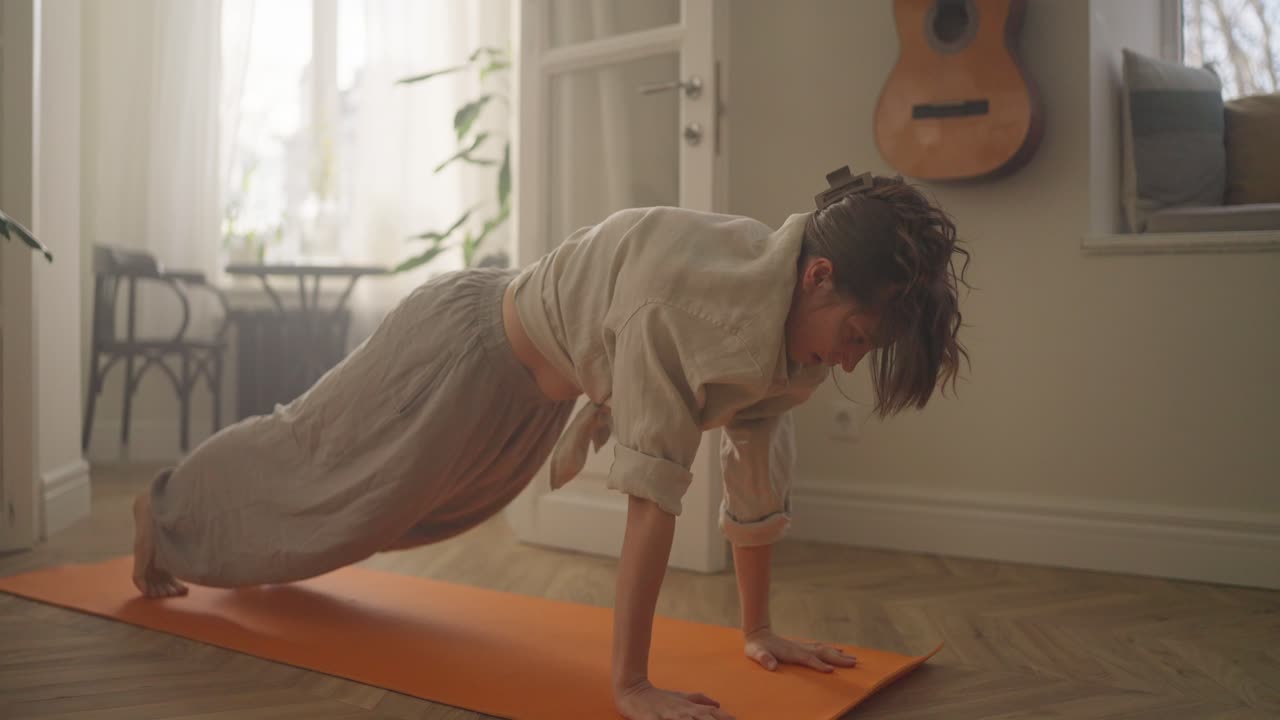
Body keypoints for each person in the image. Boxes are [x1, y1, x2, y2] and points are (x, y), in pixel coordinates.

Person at [131, 166, 969, 720]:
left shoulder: (794, 335)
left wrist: (759, 631)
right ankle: (164, 508)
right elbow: (654, 494)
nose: (850, 358)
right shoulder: (683, 304)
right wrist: (630, 684)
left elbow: (754, 471)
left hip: (526, 400)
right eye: (856, 333)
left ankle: (212, 538)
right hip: (458, 349)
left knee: (362, 522)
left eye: (869, 348)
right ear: (818, 276)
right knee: (311, 456)